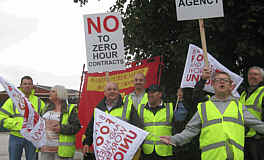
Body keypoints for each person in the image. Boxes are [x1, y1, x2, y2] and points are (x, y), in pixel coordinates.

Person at [160, 71, 264, 160]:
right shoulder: (204, 107)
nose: (222, 82)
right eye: (218, 80)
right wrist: (174, 139)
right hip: (211, 157)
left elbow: (258, 125)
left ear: (230, 86)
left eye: (225, 80)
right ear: (213, 85)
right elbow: (190, 131)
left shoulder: (239, 107)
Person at [82, 82, 143, 157]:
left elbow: (138, 127)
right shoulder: (99, 108)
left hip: (121, 151)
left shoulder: (128, 107)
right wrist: (87, 143)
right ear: (104, 93)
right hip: (103, 150)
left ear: (118, 92)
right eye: (109, 89)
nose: (112, 91)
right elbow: (92, 127)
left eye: (114, 89)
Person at [0, 76, 45, 160]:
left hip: (32, 138)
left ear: (32, 86)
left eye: (29, 84)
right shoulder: (12, 100)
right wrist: (18, 125)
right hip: (16, 136)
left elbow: (44, 120)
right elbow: (1, 117)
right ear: (20, 85)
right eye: (25, 84)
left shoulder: (39, 102)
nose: (27, 86)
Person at [40, 85, 81, 160]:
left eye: (53, 91)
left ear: (60, 94)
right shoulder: (46, 108)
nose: (50, 93)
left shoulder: (70, 109)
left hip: (62, 151)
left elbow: (76, 127)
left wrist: (61, 128)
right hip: (46, 149)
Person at [138, 84, 177, 160]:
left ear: (160, 94)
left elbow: (176, 128)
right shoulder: (141, 108)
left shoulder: (170, 107)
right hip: (146, 153)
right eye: (148, 92)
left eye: (153, 92)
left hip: (165, 152)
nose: (150, 94)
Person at [240, 66, 264, 160]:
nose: (252, 76)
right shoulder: (243, 94)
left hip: (258, 140)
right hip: (243, 139)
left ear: (261, 78)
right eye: (250, 74)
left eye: (256, 74)